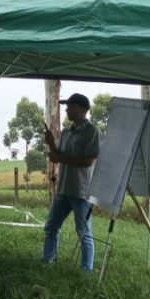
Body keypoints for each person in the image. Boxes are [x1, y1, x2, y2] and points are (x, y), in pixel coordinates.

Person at [41, 93, 100, 272]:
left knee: (84, 233)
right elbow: (60, 153)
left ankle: (86, 271)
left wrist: (60, 158)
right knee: (51, 227)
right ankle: (47, 262)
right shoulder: (67, 131)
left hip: (82, 192)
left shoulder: (92, 132)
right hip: (63, 189)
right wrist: (51, 142)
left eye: (70, 106)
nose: (66, 109)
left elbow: (88, 161)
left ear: (82, 109)